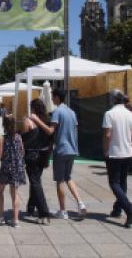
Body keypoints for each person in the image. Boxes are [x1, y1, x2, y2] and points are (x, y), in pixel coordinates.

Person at [30, 88, 87, 219]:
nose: (52, 99)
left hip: (61, 150)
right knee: (68, 177)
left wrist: (37, 120)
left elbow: (50, 131)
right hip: (72, 149)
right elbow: (75, 129)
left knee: (60, 180)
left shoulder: (57, 112)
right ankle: (80, 203)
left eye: (53, 97)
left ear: (56, 97)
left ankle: (63, 211)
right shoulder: (72, 112)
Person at [102, 89, 132, 227]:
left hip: (114, 152)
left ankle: (129, 209)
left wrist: (105, 150)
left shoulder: (109, 114)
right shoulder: (130, 114)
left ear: (113, 100)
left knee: (114, 183)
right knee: (122, 181)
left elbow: (108, 135)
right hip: (127, 151)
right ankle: (117, 209)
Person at [0, 115, 26, 227]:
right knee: (15, 194)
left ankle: (0, 217)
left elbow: (0, 155)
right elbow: (22, 152)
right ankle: (15, 220)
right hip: (17, 168)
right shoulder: (19, 137)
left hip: (6, 168)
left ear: (3, 125)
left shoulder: (2, 138)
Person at [22, 99, 51, 225]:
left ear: (33, 108)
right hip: (43, 155)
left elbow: (23, 140)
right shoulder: (47, 121)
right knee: (36, 181)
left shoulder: (28, 121)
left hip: (32, 155)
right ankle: (30, 207)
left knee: (35, 183)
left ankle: (44, 213)